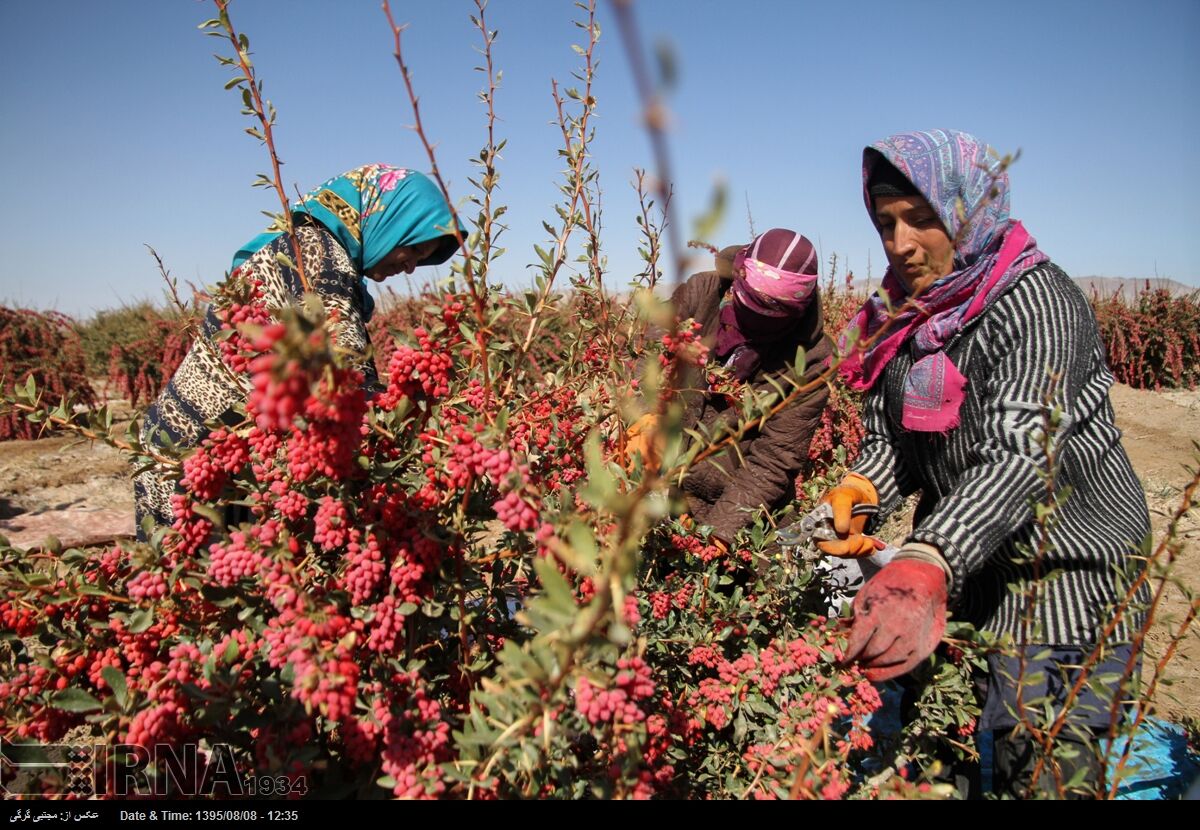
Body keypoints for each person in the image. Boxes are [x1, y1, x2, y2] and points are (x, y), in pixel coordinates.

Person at [819, 129, 1151, 796]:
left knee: (1044, 752)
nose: (900, 242)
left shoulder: (1038, 305)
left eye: (922, 218)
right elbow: (891, 440)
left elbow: (1018, 454)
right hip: (972, 571)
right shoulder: (903, 315)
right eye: (886, 222)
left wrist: (927, 557)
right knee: (941, 737)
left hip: (1069, 573)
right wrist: (855, 495)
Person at [134, 164, 460, 536]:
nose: (411, 267)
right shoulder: (321, 261)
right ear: (390, 221)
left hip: (198, 448)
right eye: (414, 248)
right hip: (199, 457)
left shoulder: (304, 245)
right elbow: (343, 379)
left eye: (422, 258)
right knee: (203, 578)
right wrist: (416, 429)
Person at [630, 229, 832, 549]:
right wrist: (643, 420)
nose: (754, 322)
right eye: (748, 306)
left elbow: (772, 462)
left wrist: (714, 536)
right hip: (663, 484)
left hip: (739, 510)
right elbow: (651, 358)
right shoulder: (702, 294)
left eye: (771, 316)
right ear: (738, 279)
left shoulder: (810, 362)